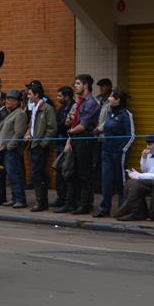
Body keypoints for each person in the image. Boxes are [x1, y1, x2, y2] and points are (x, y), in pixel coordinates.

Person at [53, 74, 100, 215]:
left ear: (86, 85)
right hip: (75, 138)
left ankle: (85, 205)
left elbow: (84, 125)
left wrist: (70, 132)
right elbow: (72, 122)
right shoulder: (79, 102)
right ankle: (70, 203)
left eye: (78, 83)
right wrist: (70, 134)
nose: (75, 86)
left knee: (84, 174)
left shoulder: (91, 103)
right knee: (71, 172)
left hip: (84, 139)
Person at [94, 89, 135, 218]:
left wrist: (121, 150)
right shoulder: (110, 112)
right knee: (106, 180)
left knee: (120, 181)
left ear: (118, 100)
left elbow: (131, 136)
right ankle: (104, 208)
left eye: (111, 97)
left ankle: (123, 208)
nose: (109, 99)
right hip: (106, 152)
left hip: (119, 154)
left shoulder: (126, 115)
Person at [113, 135, 154, 220]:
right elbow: (144, 170)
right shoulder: (148, 154)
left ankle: (129, 209)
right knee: (130, 182)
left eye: (150, 144)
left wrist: (141, 176)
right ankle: (138, 212)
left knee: (135, 184)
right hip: (147, 180)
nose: (147, 147)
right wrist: (144, 158)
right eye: (147, 144)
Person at [24, 82, 57, 212]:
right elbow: (32, 125)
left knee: (38, 173)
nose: (28, 96)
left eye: (30, 94)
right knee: (36, 173)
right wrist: (28, 134)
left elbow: (51, 128)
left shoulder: (47, 108)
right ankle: (40, 201)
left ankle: (42, 202)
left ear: (37, 94)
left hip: (40, 146)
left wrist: (43, 143)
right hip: (33, 144)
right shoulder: (34, 108)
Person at [0, 90, 29, 208]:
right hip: (2, 149)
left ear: (17, 102)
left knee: (15, 175)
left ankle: (20, 199)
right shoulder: (8, 113)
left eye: (11, 99)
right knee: (8, 176)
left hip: (11, 150)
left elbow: (19, 133)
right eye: (7, 98)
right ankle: (14, 198)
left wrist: (10, 146)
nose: (7, 101)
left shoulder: (20, 114)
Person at [51, 86, 75, 208]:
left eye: (60, 96)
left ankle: (69, 200)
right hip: (59, 143)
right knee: (59, 172)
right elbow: (57, 123)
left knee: (68, 172)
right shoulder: (61, 109)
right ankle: (61, 197)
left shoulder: (73, 107)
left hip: (68, 144)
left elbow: (65, 125)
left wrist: (61, 126)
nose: (58, 98)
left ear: (67, 96)